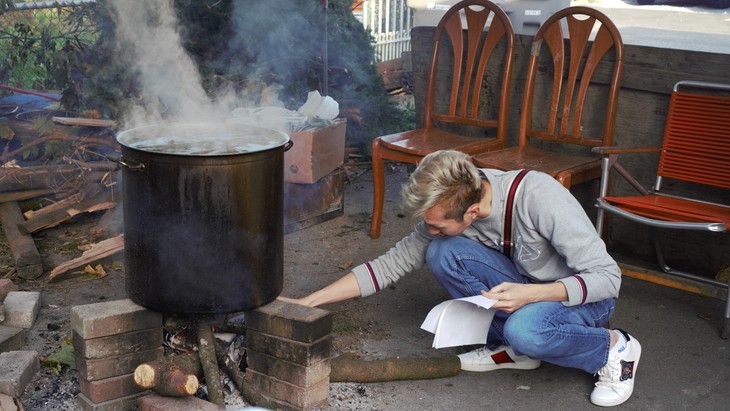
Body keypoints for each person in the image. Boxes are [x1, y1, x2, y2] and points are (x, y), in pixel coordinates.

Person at [279, 150, 640, 407]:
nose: (429, 229)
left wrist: (531, 295)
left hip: (583, 300)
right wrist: (308, 303)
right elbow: (387, 266)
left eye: (437, 223)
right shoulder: (450, 211)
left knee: (526, 329)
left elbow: (609, 279)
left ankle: (611, 349)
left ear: (471, 211)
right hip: (529, 291)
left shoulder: (539, 198)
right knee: (441, 251)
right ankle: (518, 351)